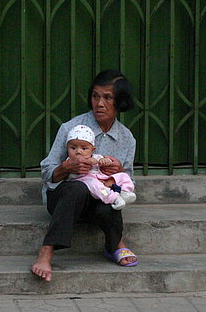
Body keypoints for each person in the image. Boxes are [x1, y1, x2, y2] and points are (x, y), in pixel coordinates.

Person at [31, 70, 138, 282]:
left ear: (120, 102)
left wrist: (118, 173)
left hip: (97, 201)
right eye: (95, 96)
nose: (99, 103)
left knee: (110, 200)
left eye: (108, 98)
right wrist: (67, 168)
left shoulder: (126, 138)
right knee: (79, 188)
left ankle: (114, 243)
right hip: (64, 198)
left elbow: (129, 183)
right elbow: (47, 172)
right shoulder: (71, 128)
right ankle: (46, 251)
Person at [64, 124, 136, 210]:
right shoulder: (69, 161)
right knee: (97, 187)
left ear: (92, 149)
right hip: (88, 182)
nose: (78, 151)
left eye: (84, 148)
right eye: (73, 148)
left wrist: (105, 161)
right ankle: (114, 199)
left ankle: (125, 192)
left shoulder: (96, 157)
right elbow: (71, 176)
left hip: (103, 178)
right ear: (67, 148)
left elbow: (107, 161)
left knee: (123, 176)